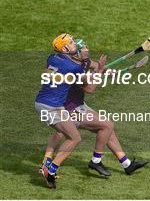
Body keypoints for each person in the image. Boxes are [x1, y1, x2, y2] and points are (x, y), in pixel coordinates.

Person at [40, 38, 148, 178]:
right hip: (71, 109)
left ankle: (127, 164)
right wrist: (98, 73)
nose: (87, 48)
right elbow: (89, 88)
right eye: (83, 47)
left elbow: (96, 65)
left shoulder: (84, 62)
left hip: (79, 104)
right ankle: (95, 161)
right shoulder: (73, 69)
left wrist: (108, 71)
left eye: (86, 45)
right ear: (76, 54)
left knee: (106, 130)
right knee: (106, 125)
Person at [36, 33, 106, 188]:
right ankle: (51, 170)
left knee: (65, 134)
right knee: (74, 138)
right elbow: (90, 86)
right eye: (73, 42)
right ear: (66, 48)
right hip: (51, 106)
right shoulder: (73, 68)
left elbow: (79, 70)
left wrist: (94, 68)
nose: (76, 44)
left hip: (45, 103)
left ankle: (48, 167)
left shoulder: (53, 58)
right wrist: (99, 70)